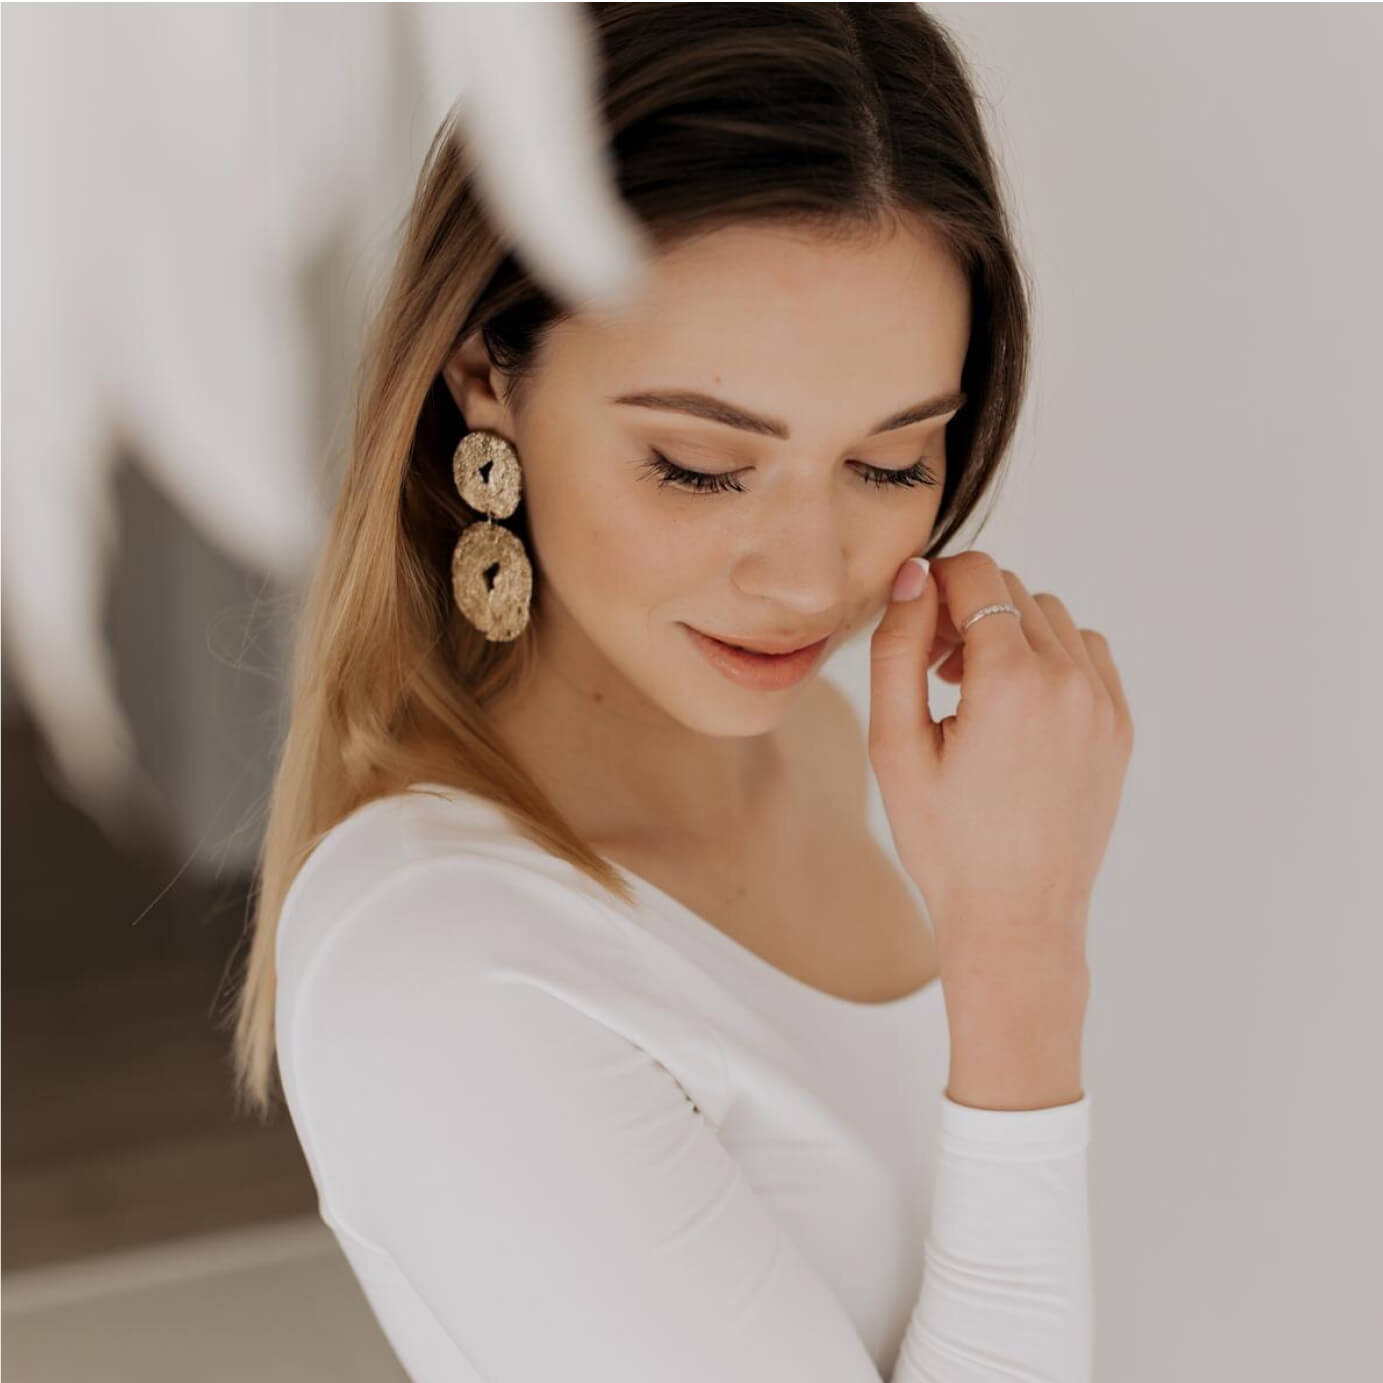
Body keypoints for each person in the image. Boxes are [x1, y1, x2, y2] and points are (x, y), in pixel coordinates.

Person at [228, 6, 1133, 1379]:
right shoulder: (443, 970)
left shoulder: (820, 742)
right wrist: (1021, 956)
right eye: (701, 466)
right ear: (484, 375)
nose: (810, 577)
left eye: (891, 463)